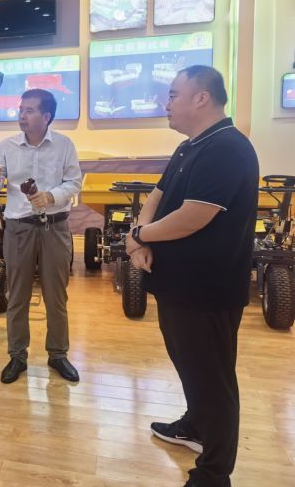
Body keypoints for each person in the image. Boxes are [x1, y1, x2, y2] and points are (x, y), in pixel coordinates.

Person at [125, 66, 258, 487]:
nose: (166, 103)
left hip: (208, 291)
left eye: (172, 94)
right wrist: (137, 239)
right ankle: (195, 426)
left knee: (213, 380)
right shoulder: (190, 146)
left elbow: (194, 216)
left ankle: (215, 473)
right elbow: (157, 197)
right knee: (191, 368)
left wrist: (138, 235)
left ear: (202, 98)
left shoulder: (227, 148)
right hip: (179, 286)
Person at [0, 89, 82, 384]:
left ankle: (58, 354)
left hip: (55, 227)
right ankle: (17, 355)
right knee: (17, 295)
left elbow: (74, 182)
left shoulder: (64, 145)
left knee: (56, 295)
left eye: (29, 110)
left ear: (46, 116)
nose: (22, 115)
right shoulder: (7, 146)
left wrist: (51, 196)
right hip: (19, 228)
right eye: (21, 109)